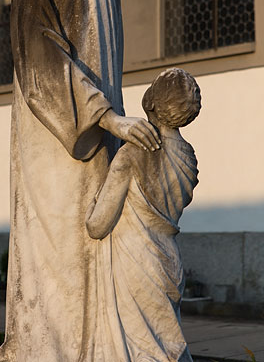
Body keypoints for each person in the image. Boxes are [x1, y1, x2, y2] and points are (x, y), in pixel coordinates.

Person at [0, 0, 160, 362]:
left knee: (96, 240)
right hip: (58, 128)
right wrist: (105, 117)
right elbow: (39, 50)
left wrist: (114, 121)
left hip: (101, 128)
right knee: (60, 244)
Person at [86, 67, 201, 362]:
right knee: (166, 342)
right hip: (168, 257)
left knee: (142, 348)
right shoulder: (187, 156)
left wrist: (88, 200)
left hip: (136, 258)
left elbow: (98, 226)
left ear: (150, 101)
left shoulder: (132, 153)